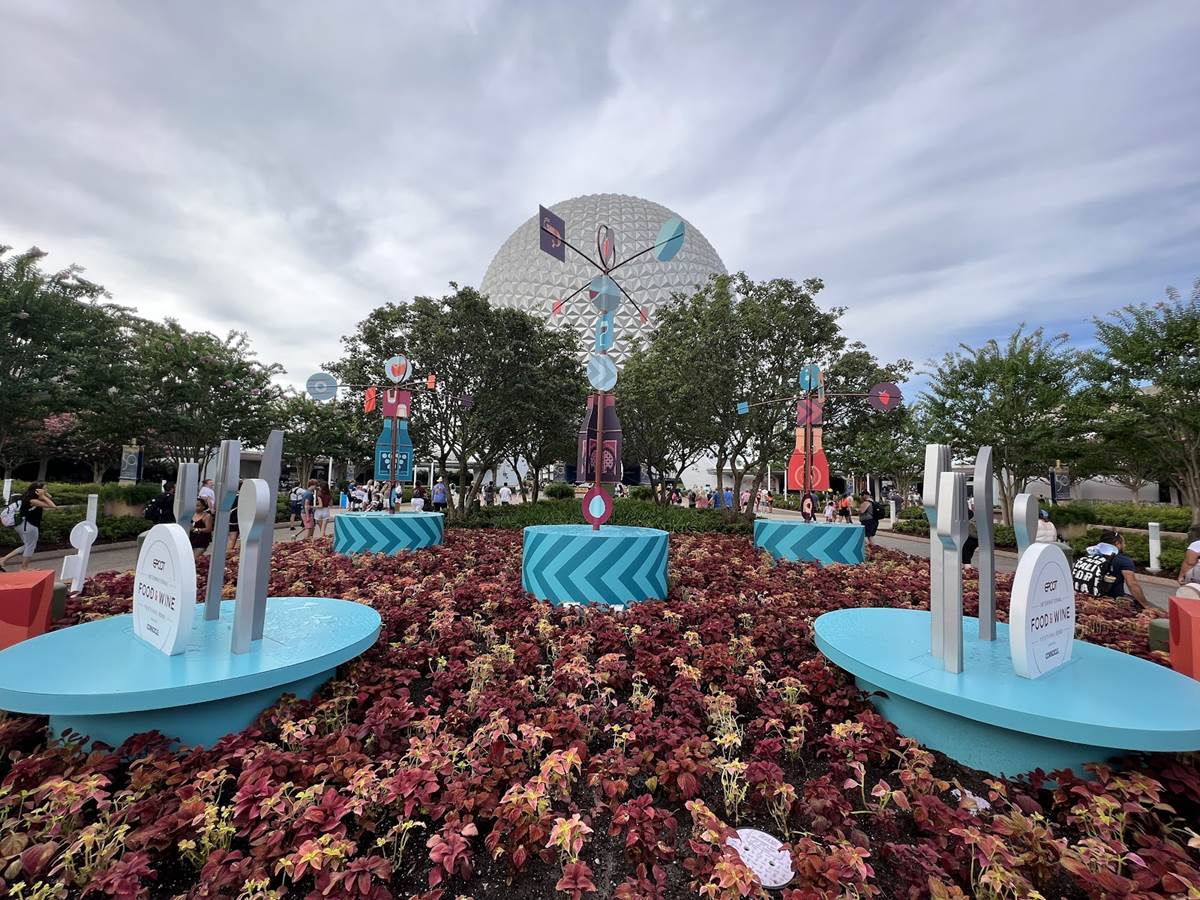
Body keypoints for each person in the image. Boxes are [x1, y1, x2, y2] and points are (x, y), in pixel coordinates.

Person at [1080, 530, 1149, 610]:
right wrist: (1146, 606)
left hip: (1086, 598)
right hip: (1112, 603)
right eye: (1123, 543)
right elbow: (1132, 585)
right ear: (1117, 543)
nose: (1125, 545)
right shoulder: (1123, 560)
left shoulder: (1091, 555)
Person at [0, 483, 56, 571]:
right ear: (37, 490)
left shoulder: (28, 498)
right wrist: (43, 495)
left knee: (28, 545)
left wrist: (45, 495)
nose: (46, 490)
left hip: (24, 525)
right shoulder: (32, 500)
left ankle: (3, 559)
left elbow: (49, 501)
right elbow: (53, 506)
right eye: (44, 489)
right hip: (28, 525)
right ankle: (24, 568)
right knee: (30, 546)